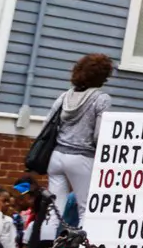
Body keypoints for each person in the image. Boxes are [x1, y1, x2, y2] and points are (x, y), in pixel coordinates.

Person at [46, 54, 113, 227]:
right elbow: (99, 135)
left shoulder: (64, 97)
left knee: (54, 211)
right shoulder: (101, 99)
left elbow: (47, 124)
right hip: (82, 158)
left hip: (56, 156)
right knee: (86, 209)